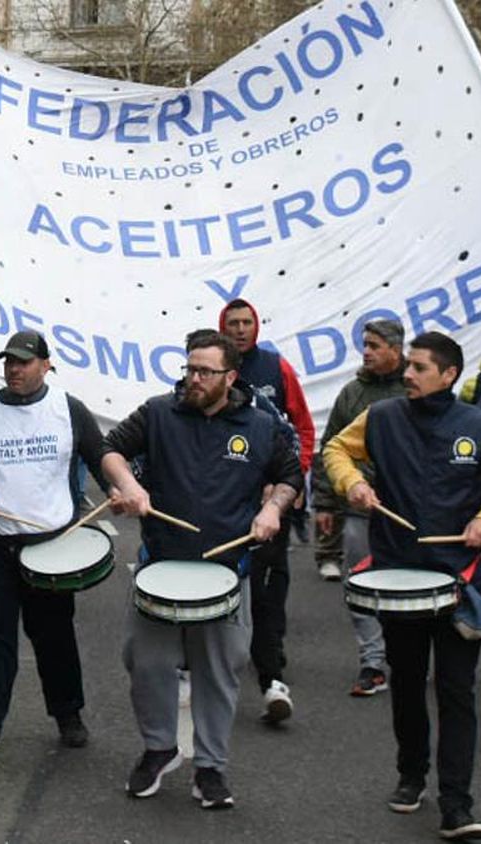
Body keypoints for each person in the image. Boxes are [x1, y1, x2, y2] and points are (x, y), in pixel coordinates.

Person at [325, 331, 481, 841]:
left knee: (456, 690)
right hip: (397, 574)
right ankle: (411, 773)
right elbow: (335, 449)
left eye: (419, 367)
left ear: (448, 375)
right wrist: (350, 483)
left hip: (457, 579)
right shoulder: (381, 417)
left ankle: (456, 805)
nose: (408, 375)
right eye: (409, 366)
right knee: (407, 682)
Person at [102, 330, 301, 809]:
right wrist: (129, 485)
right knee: (145, 662)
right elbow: (109, 448)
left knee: (219, 671)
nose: (192, 378)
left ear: (230, 377)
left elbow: (290, 475)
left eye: (204, 371)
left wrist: (273, 508)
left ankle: (210, 767)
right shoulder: (158, 412)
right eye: (189, 368)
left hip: (226, 569)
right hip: (161, 566)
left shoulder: (258, 425)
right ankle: (159, 748)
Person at [0, 330, 107, 767]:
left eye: (24, 362)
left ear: (46, 365)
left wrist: (119, 491)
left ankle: (68, 714)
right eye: (9, 362)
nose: (14, 369)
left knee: (54, 637)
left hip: (51, 546)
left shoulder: (68, 410)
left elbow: (101, 456)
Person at [218, 298, 314, 723]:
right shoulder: (209, 374)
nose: (241, 329)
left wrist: (290, 484)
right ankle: (195, 670)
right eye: (233, 323)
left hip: (273, 504)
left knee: (269, 593)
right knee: (220, 588)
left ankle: (272, 679)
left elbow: (303, 430)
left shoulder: (278, 369)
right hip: (227, 505)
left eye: (247, 322)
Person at [311, 319, 406, 695]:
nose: (366, 351)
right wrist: (324, 504)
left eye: (374, 345)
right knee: (360, 585)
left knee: (404, 586)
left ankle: (406, 654)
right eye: (364, 345)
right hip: (359, 512)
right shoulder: (351, 394)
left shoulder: (415, 391)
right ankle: (372, 662)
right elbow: (330, 448)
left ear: (395, 351)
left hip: (407, 512)